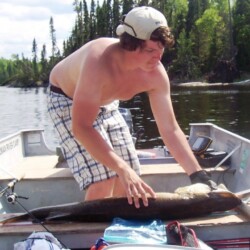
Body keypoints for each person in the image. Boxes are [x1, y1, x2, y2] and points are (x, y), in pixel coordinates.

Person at [48, 6, 215, 209]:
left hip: (106, 103)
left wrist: (198, 175)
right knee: (104, 178)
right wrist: (121, 168)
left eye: (161, 49)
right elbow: (82, 127)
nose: (158, 57)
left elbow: (170, 129)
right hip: (67, 100)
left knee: (131, 178)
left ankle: (118, 229)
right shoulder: (98, 62)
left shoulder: (156, 75)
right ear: (129, 45)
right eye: (150, 50)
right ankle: (89, 236)